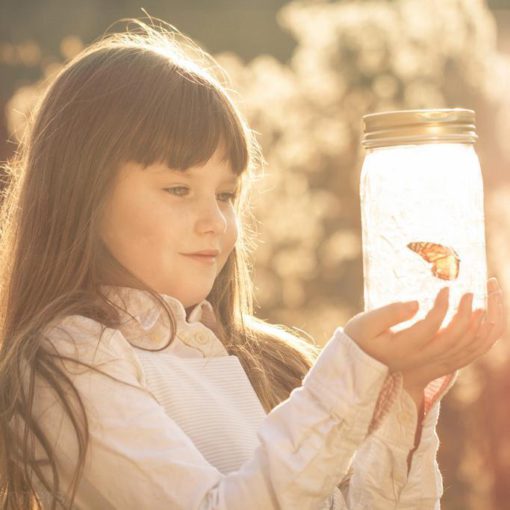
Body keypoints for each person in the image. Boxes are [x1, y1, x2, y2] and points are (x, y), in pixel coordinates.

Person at [0, 18, 505, 510]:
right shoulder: (68, 359)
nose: (215, 222)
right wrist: (352, 364)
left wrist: (406, 394)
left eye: (225, 194)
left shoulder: (269, 362)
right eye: (179, 189)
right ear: (81, 194)